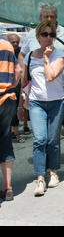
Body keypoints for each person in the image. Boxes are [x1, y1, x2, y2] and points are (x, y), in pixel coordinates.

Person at [18, 3, 64, 163]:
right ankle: (48, 157)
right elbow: (22, 55)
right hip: (40, 87)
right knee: (45, 121)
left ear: (57, 18)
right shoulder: (32, 35)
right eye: (45, 16)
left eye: (52, 16)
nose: (49, 19)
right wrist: (25, 73)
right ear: (40, 18)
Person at [19, 21, 64, 197]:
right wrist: (19, 104)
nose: (48, 38)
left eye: (51, 35)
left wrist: (47, 58)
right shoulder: (30, 56)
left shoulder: (60, 55)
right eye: (45, 34)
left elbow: (50, 76)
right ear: (38, 37)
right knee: (40, 139)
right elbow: (24, 82)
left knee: (52, 141)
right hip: (36, 103)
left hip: (57, 102)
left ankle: (53, 172)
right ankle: (40, 177)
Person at [0, 35, 22, 202]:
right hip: (7, 99)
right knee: (5, 139)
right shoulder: (6, 44)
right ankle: (8, 187)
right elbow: (19, 71)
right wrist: (10, 86)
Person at [8, 34, 25, 143]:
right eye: (13, 42)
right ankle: (10, 132)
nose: (15, 44)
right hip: (6, 85)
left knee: (16, 110)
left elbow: (22, 69)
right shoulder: (5, 51)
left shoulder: (21, 53)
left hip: (18, 85)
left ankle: (16, 132)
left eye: (16, 42)